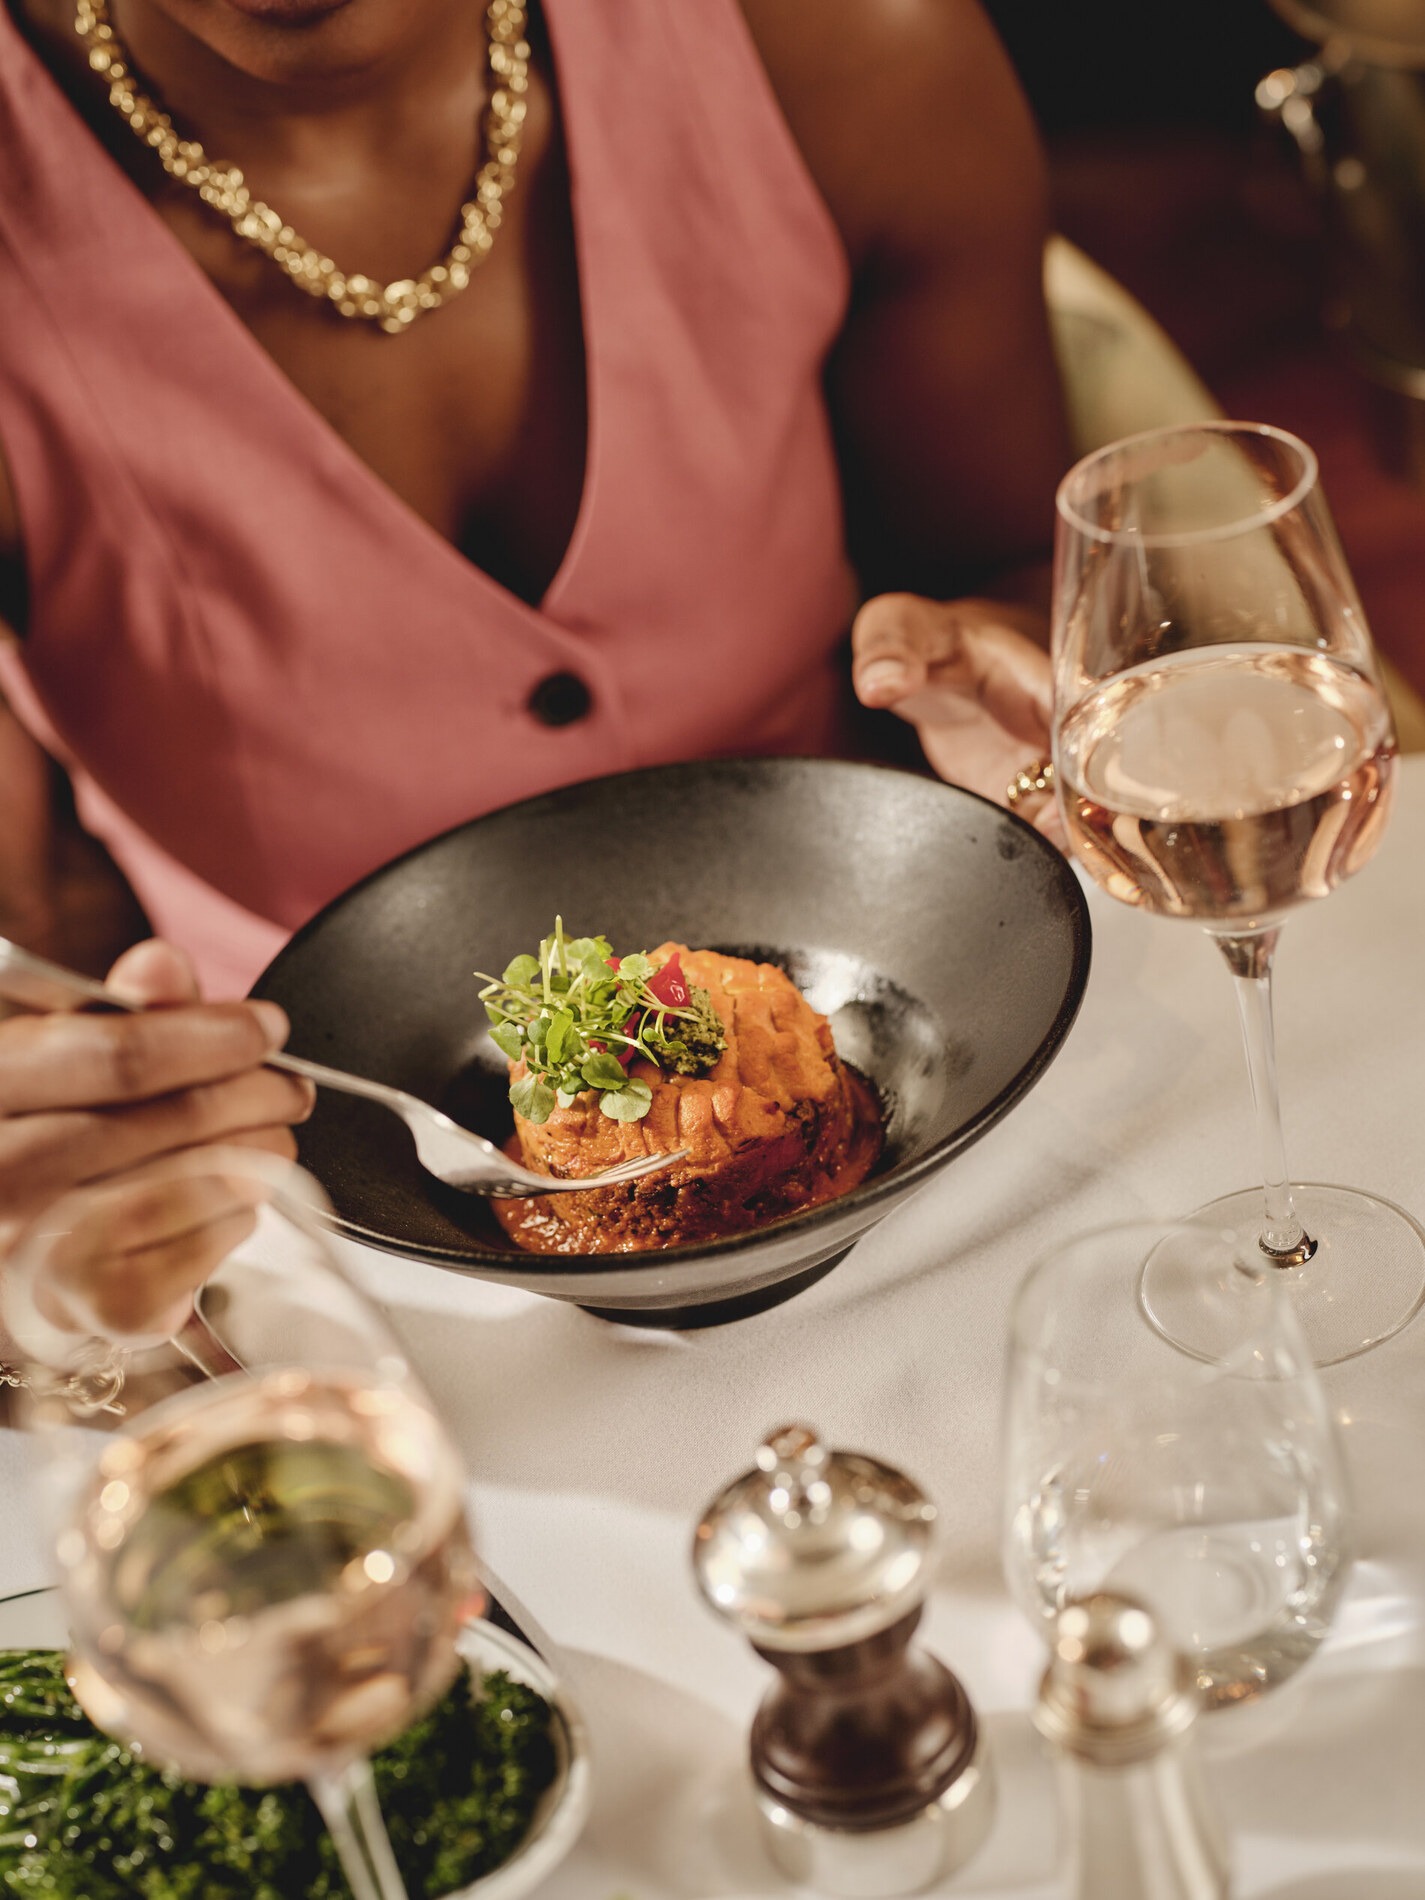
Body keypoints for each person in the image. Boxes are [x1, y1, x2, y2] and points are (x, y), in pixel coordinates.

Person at [0, 0, 1071, 1308]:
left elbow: (1000, 573)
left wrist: (1003, 676)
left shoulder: (839, 40)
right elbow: (27, 928)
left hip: (928, 1065)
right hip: (298, 1222)